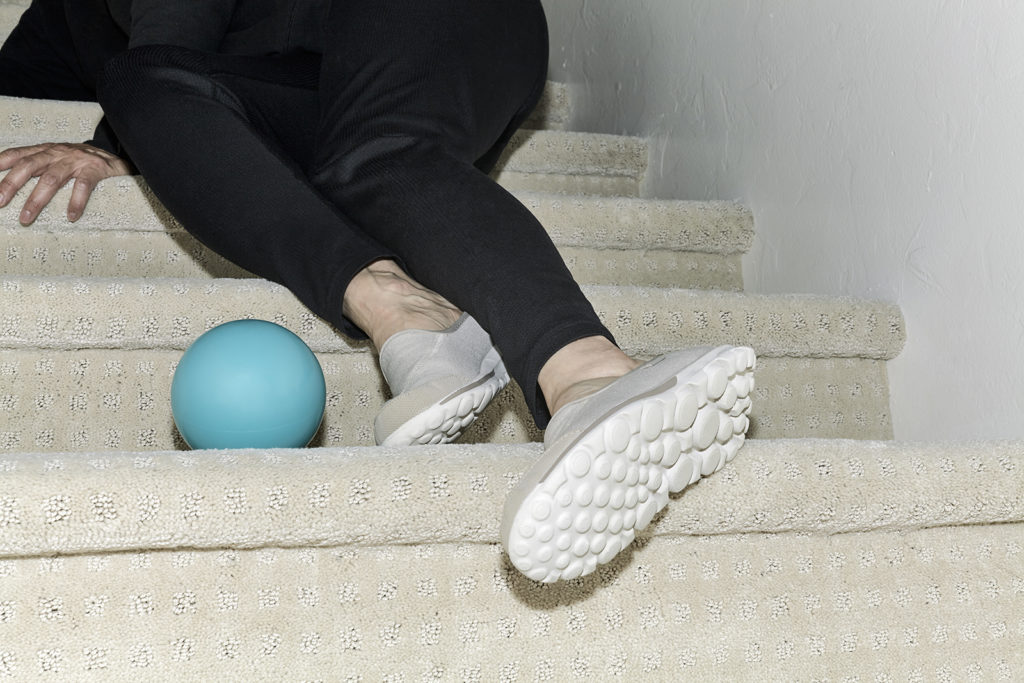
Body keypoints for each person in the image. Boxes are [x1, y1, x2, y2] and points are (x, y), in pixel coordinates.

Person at [0, 0, 755, 583]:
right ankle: (404, 309)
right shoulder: (66, 15)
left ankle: (590, 375)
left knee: (371, 155)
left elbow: (179, 28)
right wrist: (127, 127)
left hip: (428, 22)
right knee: (140, 84)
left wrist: (109, 146)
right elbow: (35, 83)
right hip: (317, 96)